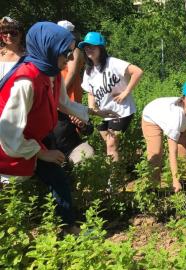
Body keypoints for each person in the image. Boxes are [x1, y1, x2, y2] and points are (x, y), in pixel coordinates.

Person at [0, 22, 119, 236]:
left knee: (57, 176)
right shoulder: (26, 81)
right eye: (66, 52)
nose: (71, 58)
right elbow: (7, 132)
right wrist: (42, 153)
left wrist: (94, 112)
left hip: (30, 141)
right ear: (48, 49)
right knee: (9, 188)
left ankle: (68, 229)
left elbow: (63, 103)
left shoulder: (51, 72)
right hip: (9, 147)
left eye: (72, 51)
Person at [79, 32, 143, 164]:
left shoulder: (112, 62)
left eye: (92, 46)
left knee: (111, 146)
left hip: (121, 110)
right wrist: (92, 110)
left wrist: (125, 92)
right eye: (86, 47)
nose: (88, 49)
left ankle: (112, 182)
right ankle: (118, 170)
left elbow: (137, 71)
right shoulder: (88, 71)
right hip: (102, 112)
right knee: (107, 146)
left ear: (101, 48)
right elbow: (90, 93)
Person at [142, 80, 186, 193]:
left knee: (183, 144)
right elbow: (172, 151)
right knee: (156, 151)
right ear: (183, 98)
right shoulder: (175, 115)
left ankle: (184, 180)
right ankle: (152, 185)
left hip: (180, 123)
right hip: (153, 117)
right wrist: (174, 179)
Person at [57, 20, 85, 103]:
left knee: (71, 113)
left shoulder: (75, 51)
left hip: (69, 86)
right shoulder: (61, 50)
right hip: (60, 84)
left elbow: (72, 72)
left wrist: (61, 92)